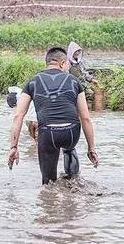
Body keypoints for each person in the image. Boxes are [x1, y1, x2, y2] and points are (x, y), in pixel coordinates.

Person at [8, 47, 99, 184]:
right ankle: (73, 182)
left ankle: (50, 197)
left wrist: (14, 147)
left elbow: (18, 116)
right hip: (71, 132)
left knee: (48, 183)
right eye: (67, 64)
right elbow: (85, 118)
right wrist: (91, 148)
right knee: (69, 148)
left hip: (47, 133)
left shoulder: (33, 82)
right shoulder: (74, 81)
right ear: (62, 63)